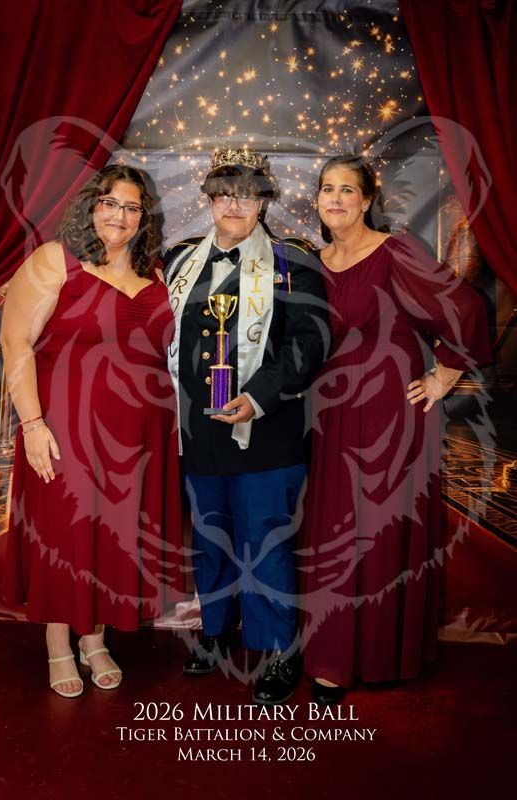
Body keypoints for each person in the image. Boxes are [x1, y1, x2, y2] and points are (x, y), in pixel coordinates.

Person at [302, 155, 492, 703]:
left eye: (347, 190)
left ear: (366, 201)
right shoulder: (310, 262)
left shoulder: (396, 251)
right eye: (326, 188)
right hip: (327, 414)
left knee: (378, 533)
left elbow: (463, 307)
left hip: (389, 413)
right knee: (331, 531)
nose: (334, 198)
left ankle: (377, 653)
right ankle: (331, 649)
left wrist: (444, 378)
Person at [1, 165, 183, 698]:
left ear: (142, 216)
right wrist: (32, 425)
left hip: (139, 436)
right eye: (108, 202)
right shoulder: (54, 260)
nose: (118, 215)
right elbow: (16, 346)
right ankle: (60, 645)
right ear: (89, 206)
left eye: (130, 206)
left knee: (114, 537)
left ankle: (94, 639)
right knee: (67, 533)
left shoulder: (155, 272)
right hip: (65, 430)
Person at [164, 146, 329, 705]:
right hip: (199, 433)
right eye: (224, 192)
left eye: (247, 192)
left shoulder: (295, 261)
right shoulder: (178, 261)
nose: (235, 202)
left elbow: (310, 344)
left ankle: (279, 647)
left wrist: (258, 399)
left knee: (267, 543)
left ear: (263, 199)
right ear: (208, 199)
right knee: (210, 541)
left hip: (268, 430)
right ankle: (215, 632)